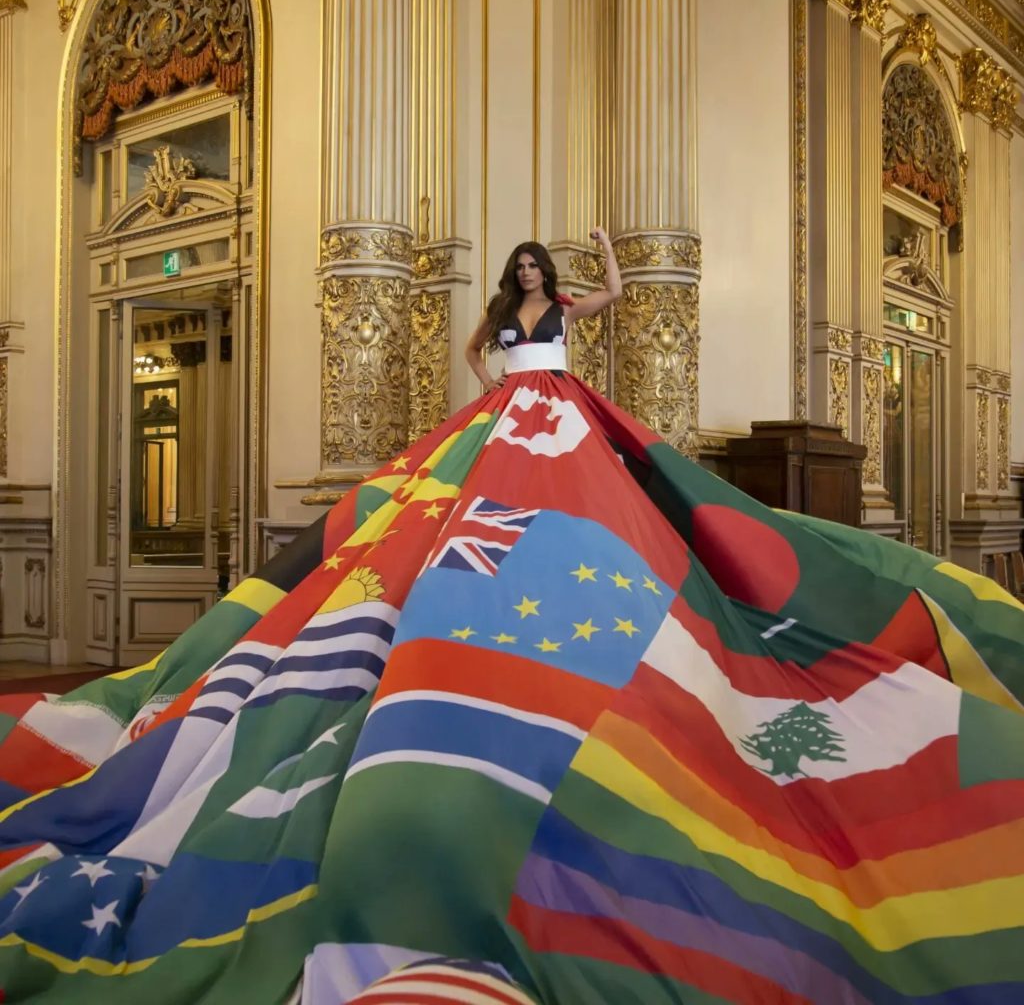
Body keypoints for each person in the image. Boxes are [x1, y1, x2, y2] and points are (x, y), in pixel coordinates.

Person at [0, 231, 1022, 1005]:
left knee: (601, 514)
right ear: (516, 281)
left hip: (559, 408)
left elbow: (613, 297)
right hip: (514, 409)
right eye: (529, 273)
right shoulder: (501, 320)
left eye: (541, 273)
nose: (535, 280)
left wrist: (610, 267)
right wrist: (495, 381)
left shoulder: (568, 304)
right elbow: (476, 348)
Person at [465, 228, 621, 394]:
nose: (526, 272)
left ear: (544, 270)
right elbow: (471, 349)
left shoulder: (564, 308)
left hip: (556, 395)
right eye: (520, 267)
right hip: (512, 395)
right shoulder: (499, 309)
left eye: (533, 266)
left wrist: (608, 247)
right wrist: (488, 382)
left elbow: (613, 292)